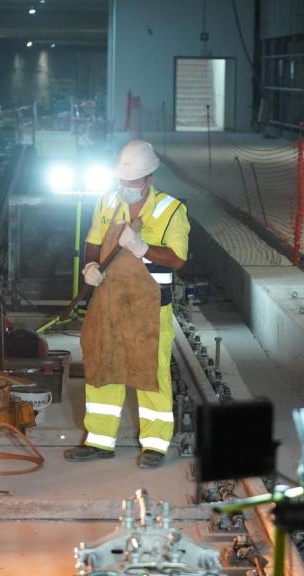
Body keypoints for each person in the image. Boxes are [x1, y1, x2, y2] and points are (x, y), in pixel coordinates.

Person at [64, 140, 190, 468]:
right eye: (123, 181)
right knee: (102, 366)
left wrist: (143, 248)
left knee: (152, 372)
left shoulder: (171, 210)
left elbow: (177, 259)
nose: (127, 187)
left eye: (133, 182)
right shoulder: (107, 202)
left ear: (150, 179)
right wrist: (89, 266)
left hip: (149, 307)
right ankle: (100, 440)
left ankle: (155, 445)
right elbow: (93, 242)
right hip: (108, 302)